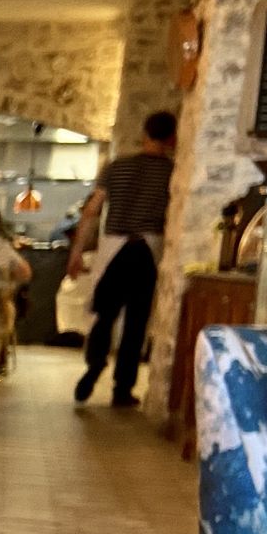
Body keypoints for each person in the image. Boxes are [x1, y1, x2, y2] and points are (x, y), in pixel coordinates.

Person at [68, 110, 178, 407]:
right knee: (136, 322)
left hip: (115, 248)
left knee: (104, 314)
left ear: (144, 133)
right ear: (171, 138)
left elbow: (92, 211)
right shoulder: (172, 172)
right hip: (147, 249)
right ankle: (122, 388)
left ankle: (94, 363)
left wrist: (76, 252)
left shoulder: (117, 166)